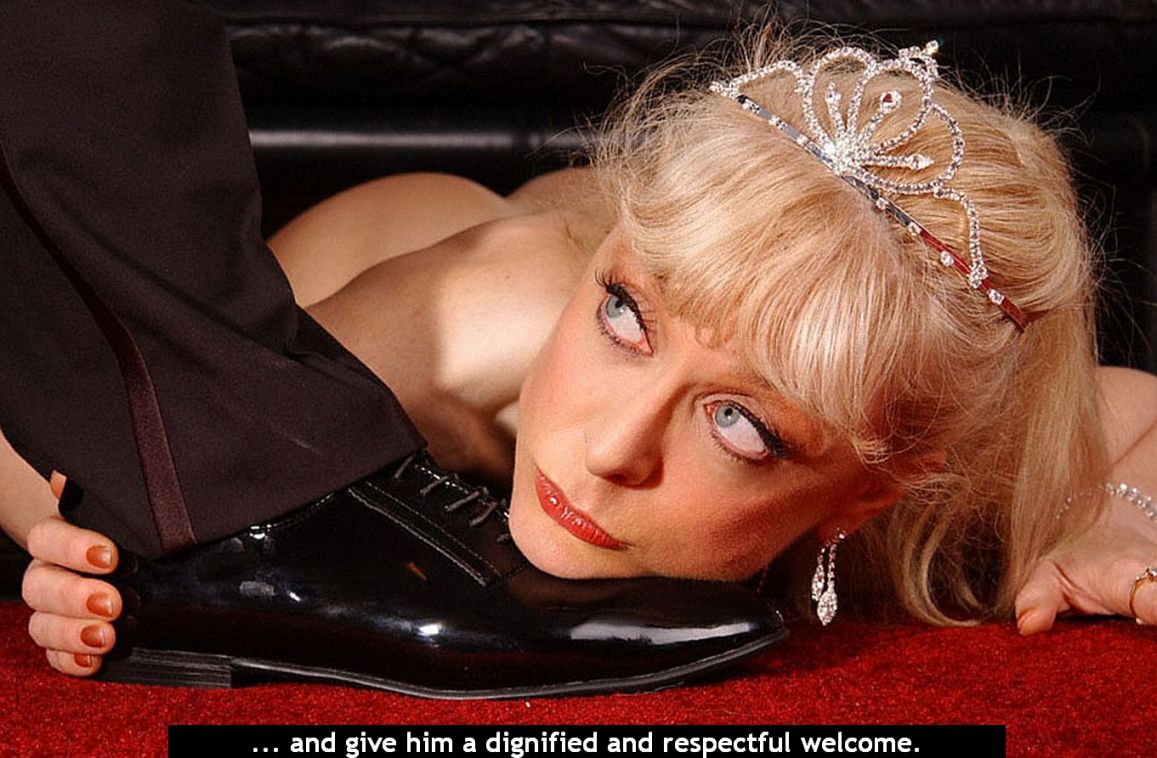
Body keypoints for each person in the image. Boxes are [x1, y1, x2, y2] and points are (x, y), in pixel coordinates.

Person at [10, 23, 1157, 681]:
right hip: (397, 254)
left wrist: (1110, 509)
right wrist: (82, 544)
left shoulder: (914, 450)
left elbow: (1137, 415)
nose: (608, 448)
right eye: (622, 317)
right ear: (604, 264)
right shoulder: (455, 347)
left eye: (739, 423)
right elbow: (78, 430)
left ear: (869, 492)